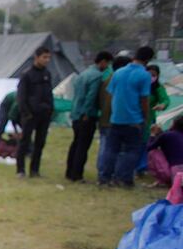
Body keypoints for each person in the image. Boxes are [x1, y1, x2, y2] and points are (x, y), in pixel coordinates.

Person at [98, 46, 153, 188]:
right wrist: (145, 117)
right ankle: (123, 178)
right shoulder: (144, 75)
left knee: (111, 150)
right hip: (134, 119)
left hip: (116, 118)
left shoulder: (118, 73)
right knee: (132, 150)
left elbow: (111, 93)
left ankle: (104, 178)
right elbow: (144, 100)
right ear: (148, 60)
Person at [65, 51, 113, 181]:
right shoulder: (97, 76)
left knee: (75, 143)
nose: (107, 66)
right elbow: (91, 96)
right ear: (102, 61)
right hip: (86, 115)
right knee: (83, 146)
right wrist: (86, 113)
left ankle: (69, 172)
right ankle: (77, 174)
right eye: (107, 63)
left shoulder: (83, 74)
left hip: (75, 113)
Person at [16, 46, 54, 178]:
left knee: (40, 143)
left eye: (48, 57)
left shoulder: (47, 74)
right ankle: (20, 170)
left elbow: (49, 93)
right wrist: (26, 113)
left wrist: (50, 109)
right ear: (36, 57)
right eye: (44, 57)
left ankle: (35, 170)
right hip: (30, 114)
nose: (47, 60)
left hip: (44, 114)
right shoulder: (27, 75)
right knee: (25, 142)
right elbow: (21, 96)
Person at [94, 54, 129, 181]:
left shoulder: (106, 80)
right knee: (112, 150)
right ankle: (108, 174)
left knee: (104, 148)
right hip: (114, 120)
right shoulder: (120, 82)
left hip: (104, 118)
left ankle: (102, 173)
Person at [147, 116, 183, 186]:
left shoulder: (166, 135)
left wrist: (152, 134)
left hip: (176, 171)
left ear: (174, 124)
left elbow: (149, 147)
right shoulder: (171, 135)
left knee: (153, 152)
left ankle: (164, 179)